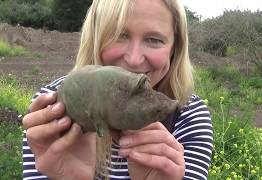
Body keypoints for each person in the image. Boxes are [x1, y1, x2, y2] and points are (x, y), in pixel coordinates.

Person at [22, 0, 213, 179]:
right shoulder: (52, 110)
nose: (134, 59)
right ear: (95, 37)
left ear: (174, 49)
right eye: (119, 35)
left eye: (154, 40)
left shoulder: (189, 116)